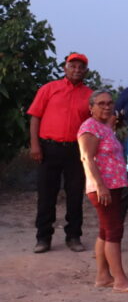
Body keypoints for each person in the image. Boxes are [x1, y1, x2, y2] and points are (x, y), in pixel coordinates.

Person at [78, 90, 128, 294]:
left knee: (105, 231)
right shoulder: (89, 127)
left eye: (109, 103)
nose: (107, 107)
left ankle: (103, 276)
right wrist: (100, 186)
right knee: (114, 232)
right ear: (91, 107)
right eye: (101, 103)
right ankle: (120, 280)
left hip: (113, 186)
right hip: (103, 188)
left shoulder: (104, 127)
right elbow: (87, 158)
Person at [28, 52, 92, 253]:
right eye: (72, 66)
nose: (76, 70)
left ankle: (73, 236)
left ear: (85, 71)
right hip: (49, 148)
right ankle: (43, 238)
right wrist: (35, 145)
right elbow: (35, 117)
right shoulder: (49, 89)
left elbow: (94, 122)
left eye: (80, 67)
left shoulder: (90, 95)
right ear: (65, 68)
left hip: (76, 150)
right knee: (46, 194)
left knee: (75, 195)